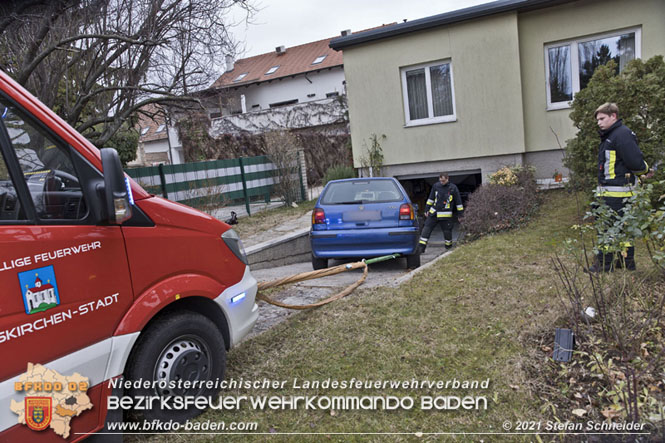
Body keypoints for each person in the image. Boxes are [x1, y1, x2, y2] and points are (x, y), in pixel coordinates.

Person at [588, 102, 651, 272]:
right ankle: (626, 261)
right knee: (623, 228)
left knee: (607, 228)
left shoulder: (621, 135)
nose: (599, 123)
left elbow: (635, 162)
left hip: (617, 193)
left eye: (602, 118)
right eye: (597, 120)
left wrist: (645, 170)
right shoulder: (612, 135)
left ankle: (604, 264)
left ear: (613, 116)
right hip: (613, 192)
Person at [418, 173, 463, 253]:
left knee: (447, 232)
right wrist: (426, 209)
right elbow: (430, 199)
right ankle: (421, 248)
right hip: (433, 213)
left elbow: (458, 202)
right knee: (426, 229)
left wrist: (460, 215)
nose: (442, 182)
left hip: (445, 215)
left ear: (447, 178)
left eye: (443, 181)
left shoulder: (453, 188)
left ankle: (448, 248)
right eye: (440, 181)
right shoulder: (436, 186)